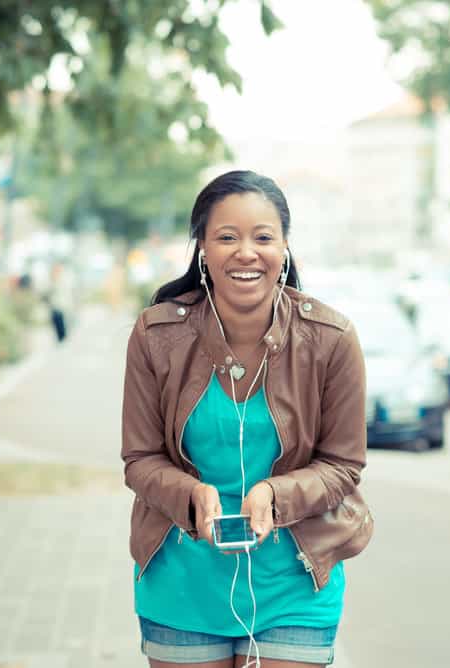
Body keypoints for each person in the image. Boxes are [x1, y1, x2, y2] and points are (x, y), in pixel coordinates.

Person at [121, 170, 373, 668]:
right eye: (227, 237)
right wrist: (190, 496)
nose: (246, 252)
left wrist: (275, 496)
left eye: (263, 237)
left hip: (295, 581)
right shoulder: (155, 335)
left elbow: (344, 466)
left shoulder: (331, 338)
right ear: (202, 250)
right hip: (182, 581)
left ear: (284, 248)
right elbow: (140, 459)